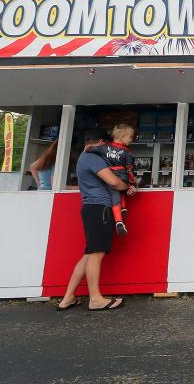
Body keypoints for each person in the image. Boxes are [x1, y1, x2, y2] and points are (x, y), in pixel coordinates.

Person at [55, 131, 136, 312]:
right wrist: (128, 186)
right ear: (100, 142)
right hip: (101, 209)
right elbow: (113, 182)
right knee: (96, 254)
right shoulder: (93, 157)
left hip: (91, 208)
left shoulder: (84, 157)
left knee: (89, 253)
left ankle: (67, 297)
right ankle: (96, 299)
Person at [84, 124, 136, 236]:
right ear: (122, 137)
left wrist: (89, 149)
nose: (132, 139)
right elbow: (130, 169)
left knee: (114, 196)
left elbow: (89, 149)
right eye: (130, 137)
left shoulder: (105, 147)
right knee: (121, 188)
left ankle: (119, 221)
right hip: (123, 175)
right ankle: (123, 207)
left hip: (111, 175)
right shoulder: (128, 152)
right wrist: (132, 182)